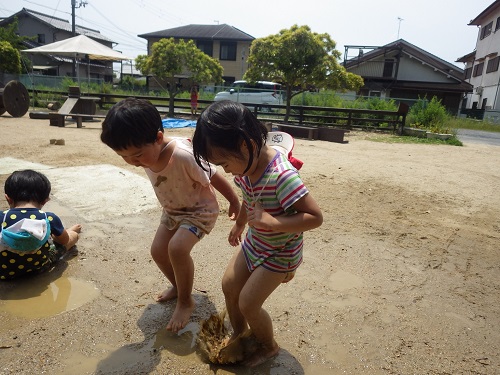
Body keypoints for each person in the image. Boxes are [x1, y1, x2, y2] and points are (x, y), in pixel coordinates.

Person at [192, 100, 323, 367]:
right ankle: (241, 334)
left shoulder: (282, 176)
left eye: (224, 163)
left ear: (245, 145)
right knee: (229, 285)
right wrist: (240, 223)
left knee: (248, 303)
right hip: (256, 242)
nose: (226, 171)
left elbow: (315, 218)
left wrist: (273, 223)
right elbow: (248, 199)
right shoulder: (246, 167)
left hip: (280, 251)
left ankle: (269, 346)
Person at [100, 97, 240, 333]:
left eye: (136, 155)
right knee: (157, 251)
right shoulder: (147, 153)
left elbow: (214, 175)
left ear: (157, 138)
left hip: (199, 211)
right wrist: (138, 156)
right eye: (124, 157)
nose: (133, 162)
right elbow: (147, 162)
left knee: (177, 248)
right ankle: (178, 286)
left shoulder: (183, 155)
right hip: (173, 211)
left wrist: (234, 201)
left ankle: (186, 301)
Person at [0, 169, 82, 280]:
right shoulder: (48, 218)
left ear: (8, 198)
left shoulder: (2, 217)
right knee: (72, 236)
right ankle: (68, 231)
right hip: (38, 268)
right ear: (45, 201)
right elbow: (63, 241)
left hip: (3, 272)